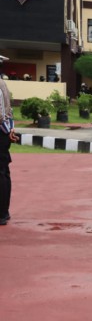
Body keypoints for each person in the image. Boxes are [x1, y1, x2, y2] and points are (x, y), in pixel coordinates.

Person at [0, 55, 19, 225]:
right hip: (4, 133)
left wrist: (6, 129)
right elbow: (9, 111)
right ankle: (3, 212)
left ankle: (2, 214)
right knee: (3, 172)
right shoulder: (3, 84)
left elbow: (0, 115)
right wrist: (10, 128)